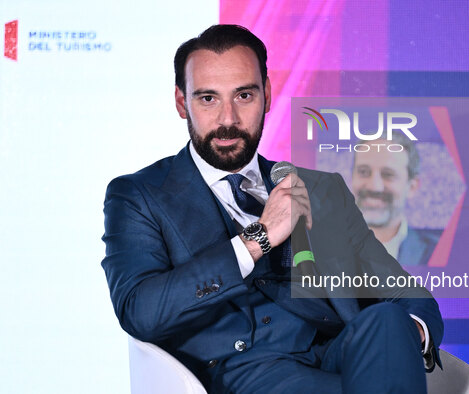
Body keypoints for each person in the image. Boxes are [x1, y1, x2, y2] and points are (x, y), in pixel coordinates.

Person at [101, 24, 443, 393]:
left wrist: (405, 339)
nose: (228, 119)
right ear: (182, 102)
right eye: (208, 99)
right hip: (243, 372)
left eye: (244, 96)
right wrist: (257, 240)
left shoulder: (321, 189)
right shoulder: (138, 195)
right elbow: (139, 310)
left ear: (266, 94)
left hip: (336, 355)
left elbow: (403, 292)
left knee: (388, 320)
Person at [351, 136, 442, 266]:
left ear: (412, 187)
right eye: (363, 172)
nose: (374, 186)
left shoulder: (438, 254)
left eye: (388, 174)